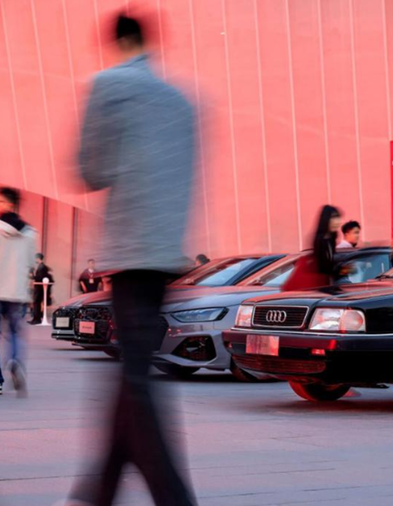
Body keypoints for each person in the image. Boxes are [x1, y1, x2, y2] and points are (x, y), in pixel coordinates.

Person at [68, 13, 197, 506]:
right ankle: (98, 492)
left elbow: (90, 169)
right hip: (166, 256)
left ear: (118, 41)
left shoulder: (110, 85)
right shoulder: (182, 100)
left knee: (136, 381)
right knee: (132, 373)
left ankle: (173, 496)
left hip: (129, 253)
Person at [0, 187, 36, 396]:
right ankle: (14, 361)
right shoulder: (30, 232)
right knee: (14, 333)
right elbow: (31, 263)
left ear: (10, 204)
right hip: (16, 293)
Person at [29, 252, 53, 325]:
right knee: (36, 303)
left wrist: (32, 276)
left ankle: (37, 319)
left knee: (37, 303)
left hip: (39, 288)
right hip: (38, 287)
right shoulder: (41, 266)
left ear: (38, 258)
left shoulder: (42, 267)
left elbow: (40, 278)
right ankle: (36, 318)